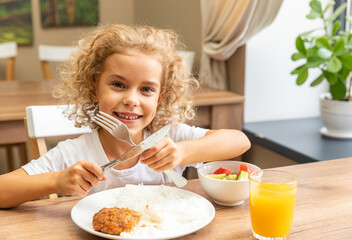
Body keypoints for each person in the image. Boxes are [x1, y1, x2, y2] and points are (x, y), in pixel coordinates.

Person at [0, 24, 250, 208]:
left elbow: (239, 141)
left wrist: (183, 153)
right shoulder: (74, 154)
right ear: (93, 90)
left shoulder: (168, 137)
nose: (132, 99)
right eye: (118, 85)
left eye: (146, 89)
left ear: (159, 99)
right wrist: (56, 181)